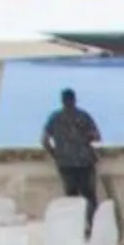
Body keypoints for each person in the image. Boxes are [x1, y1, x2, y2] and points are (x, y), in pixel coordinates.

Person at [42, 87, 102, 220]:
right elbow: (97, 136)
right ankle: (92, 225)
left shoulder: (55, 118)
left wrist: (55, 154)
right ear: (74, 100)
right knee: (89, 196)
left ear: (62, 101)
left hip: (65, 162)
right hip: (85, 161)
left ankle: (75, 227)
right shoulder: (83, 116)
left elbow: (45, 140)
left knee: (71, 198)